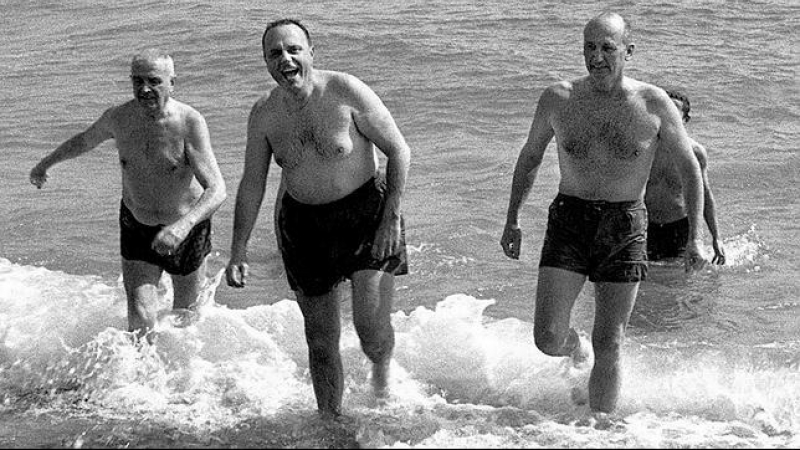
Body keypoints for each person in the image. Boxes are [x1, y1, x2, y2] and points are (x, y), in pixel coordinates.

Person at [500, 12, 708, 415]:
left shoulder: (652, 103)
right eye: (589, 48)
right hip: (569, 221)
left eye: (607, 48)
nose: (596, 58)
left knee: (610, 340)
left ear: (628, 51)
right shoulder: (558, 98)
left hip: (625, 224)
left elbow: (689, 169)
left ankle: (601, 430)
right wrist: (513, 217)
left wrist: (695, 237)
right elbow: (529, 158)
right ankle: (574, 349)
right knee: (546, 337)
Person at [225, 18, 411, 420]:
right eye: (275, 53)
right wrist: (238, 248)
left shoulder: (344, 91)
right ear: (266, 63)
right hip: (304, 227)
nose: (285, 59)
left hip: (367, 215)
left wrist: (391, 217)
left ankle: (382, 372)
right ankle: (331, 422)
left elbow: (399, 150)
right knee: (320, 341)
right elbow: (252, 183)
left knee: (371, 334)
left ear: (312, 53)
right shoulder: (263, 115)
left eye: (294, 49)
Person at [30, 49, 227, 340]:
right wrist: (45, 163)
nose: (144, 89)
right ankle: (138, 382)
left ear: (172, 83)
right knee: (139, 315)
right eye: (137, 81)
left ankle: (183, 381)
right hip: (137, 223)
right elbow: (84, 141)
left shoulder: (189, 122)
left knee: (186, 319)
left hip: (186, 229)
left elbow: (217, 189)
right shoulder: (118, 118)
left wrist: (182, 227)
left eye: (154, 81)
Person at [646, 89, 726, 264]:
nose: (668, 117)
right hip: (645, 226)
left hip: (679, 226)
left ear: (685, 119)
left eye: (675, 112)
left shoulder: (695, 153)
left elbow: (705, 195)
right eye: (665, 111)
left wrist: (716, 238)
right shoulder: (643, 149)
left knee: (680, 283)